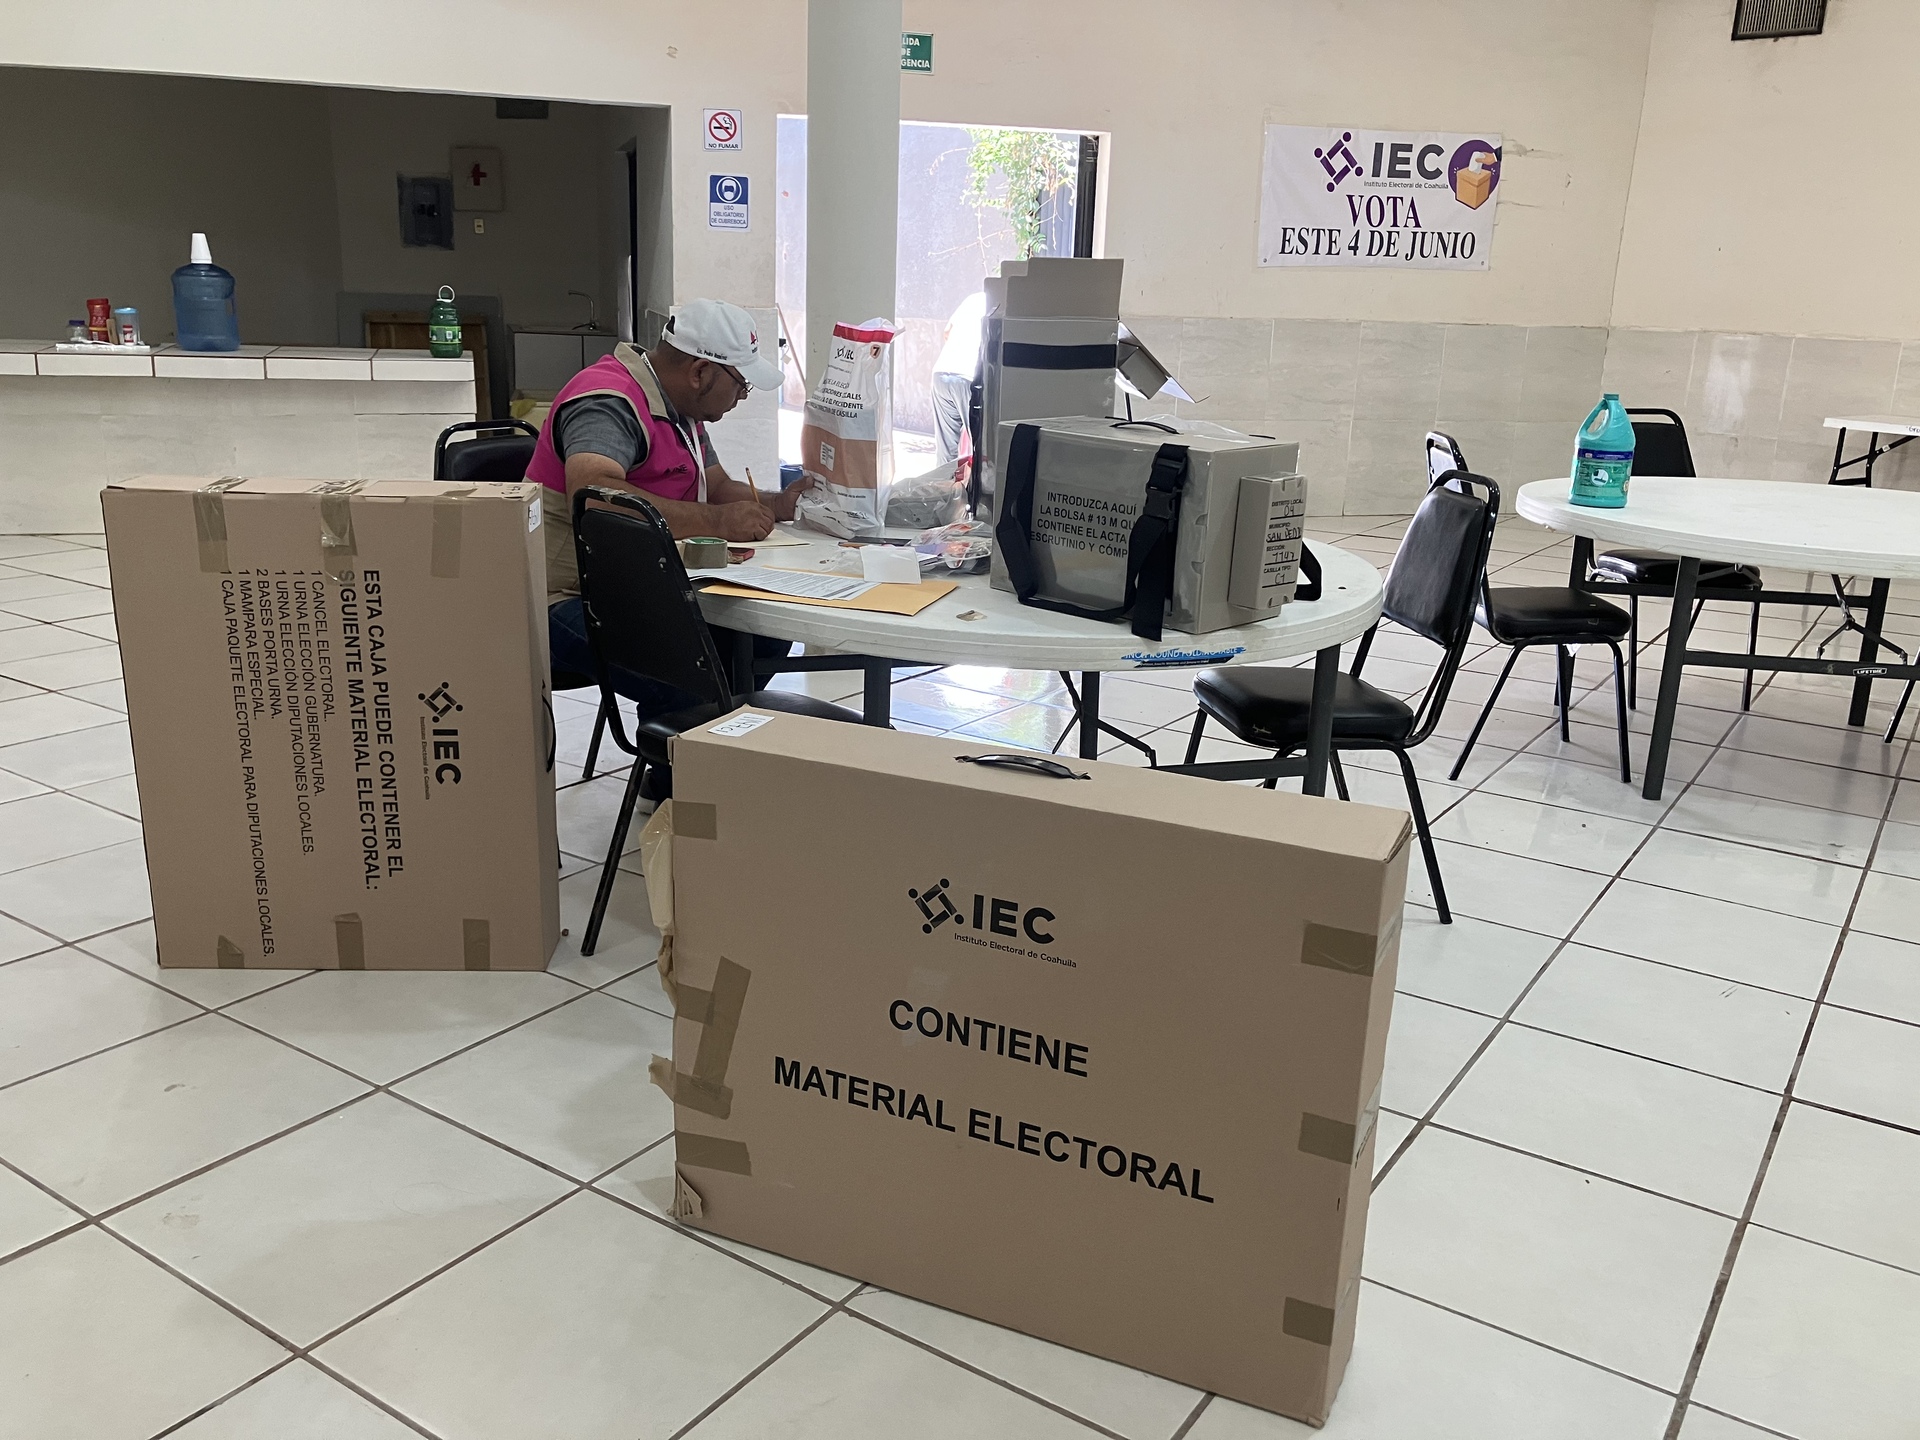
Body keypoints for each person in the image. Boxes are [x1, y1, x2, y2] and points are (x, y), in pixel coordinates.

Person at [529, 297, 805, 718]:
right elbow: (595, 497)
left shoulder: (682, 410)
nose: (742, 396)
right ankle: (684, 746)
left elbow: (717, 486)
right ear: (700, 372)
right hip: (568, 597)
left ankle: (704, 733)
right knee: (691, 679)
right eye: (741, 384)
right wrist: (718, 522)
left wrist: (778, 503)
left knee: (766, 633)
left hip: (646, 585)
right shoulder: (608, 401)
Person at [929, 290, 986, 466]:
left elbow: (947, 332)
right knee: (981, 448)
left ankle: (943, 482)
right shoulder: (1002, 301)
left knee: (946, 453)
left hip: (942, 372)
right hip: (969, 377)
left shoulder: (973, 298)